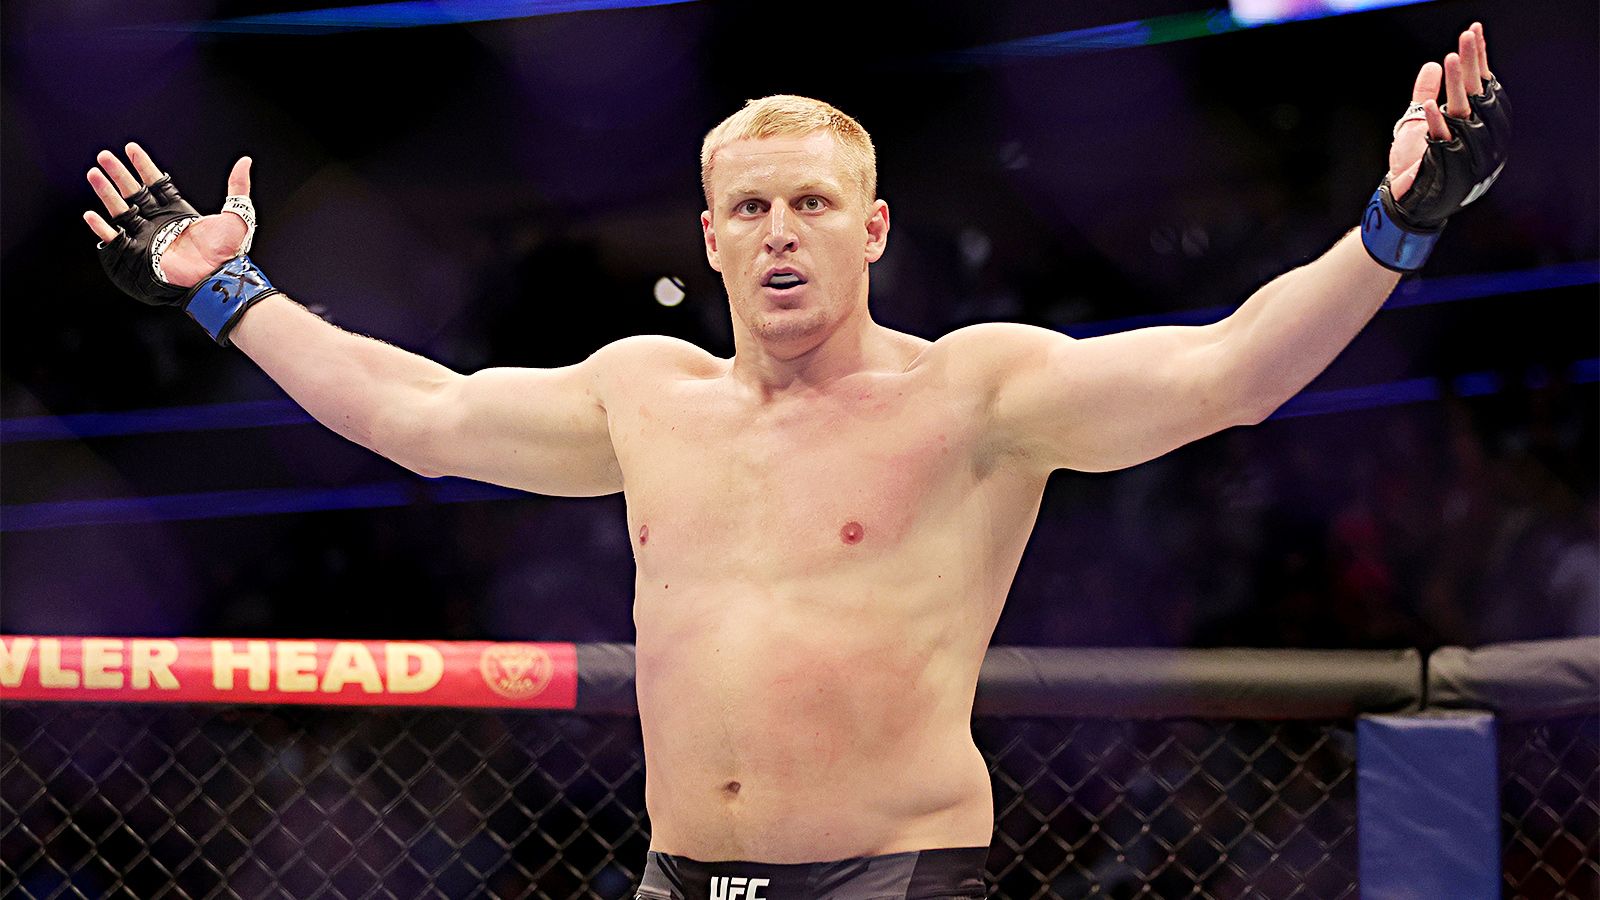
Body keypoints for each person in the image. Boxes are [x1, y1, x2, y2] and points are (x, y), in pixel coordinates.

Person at [83, 23, 1508, 900]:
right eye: (752, 207)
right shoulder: (645, 393)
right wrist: (229, 293)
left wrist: (1397, 227)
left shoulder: (975, 393)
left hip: (894, 875)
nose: (781, 232)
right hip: (678, 873)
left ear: (871, 230)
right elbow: (420, 414)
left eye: (813, 204)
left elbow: (1229, 372)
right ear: (709, 238)